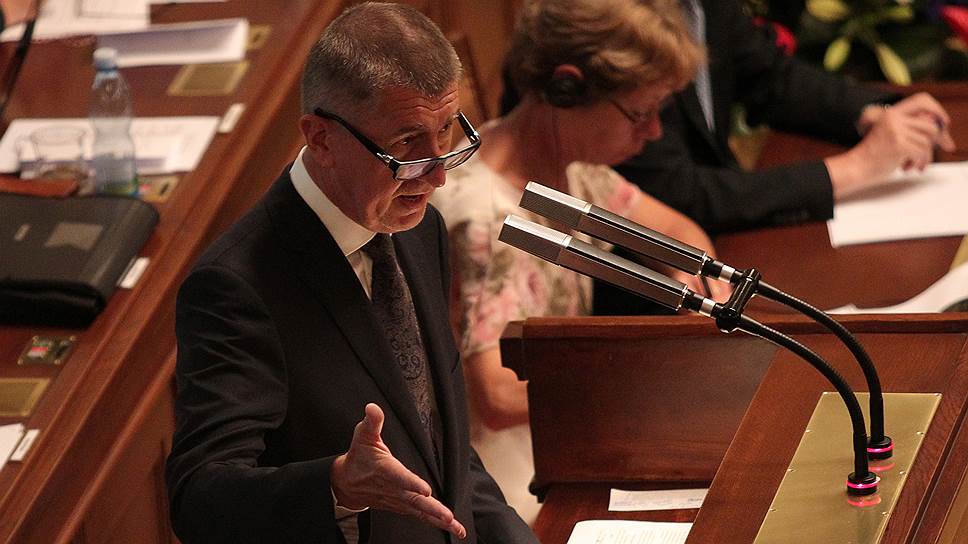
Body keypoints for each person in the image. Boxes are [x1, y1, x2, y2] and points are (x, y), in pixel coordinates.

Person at [165, 4, 538, 543]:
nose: (436, 175)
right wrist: (337, 484)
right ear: (320, 138)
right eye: (407, 144)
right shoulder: (236, 285)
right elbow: (198, 498)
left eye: (446, 134)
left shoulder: (420, 229)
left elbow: (443, 450)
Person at [430, 0, 718, 523]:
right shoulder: (483, 218)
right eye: (641, 113)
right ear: (567, 88)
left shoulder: (570, 167)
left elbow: (681, 234)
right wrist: (645, 380)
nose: (654, 132)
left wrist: (692, 283)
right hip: (510, 483)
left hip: (572, 429)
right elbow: (496, 398)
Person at [590, 0, 956, 316]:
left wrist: (872, 113)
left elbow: (770, 75)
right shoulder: (613, 20)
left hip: (712, 254)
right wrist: (855, 168)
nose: (652, 126)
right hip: (632, 294)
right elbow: (676, 190)